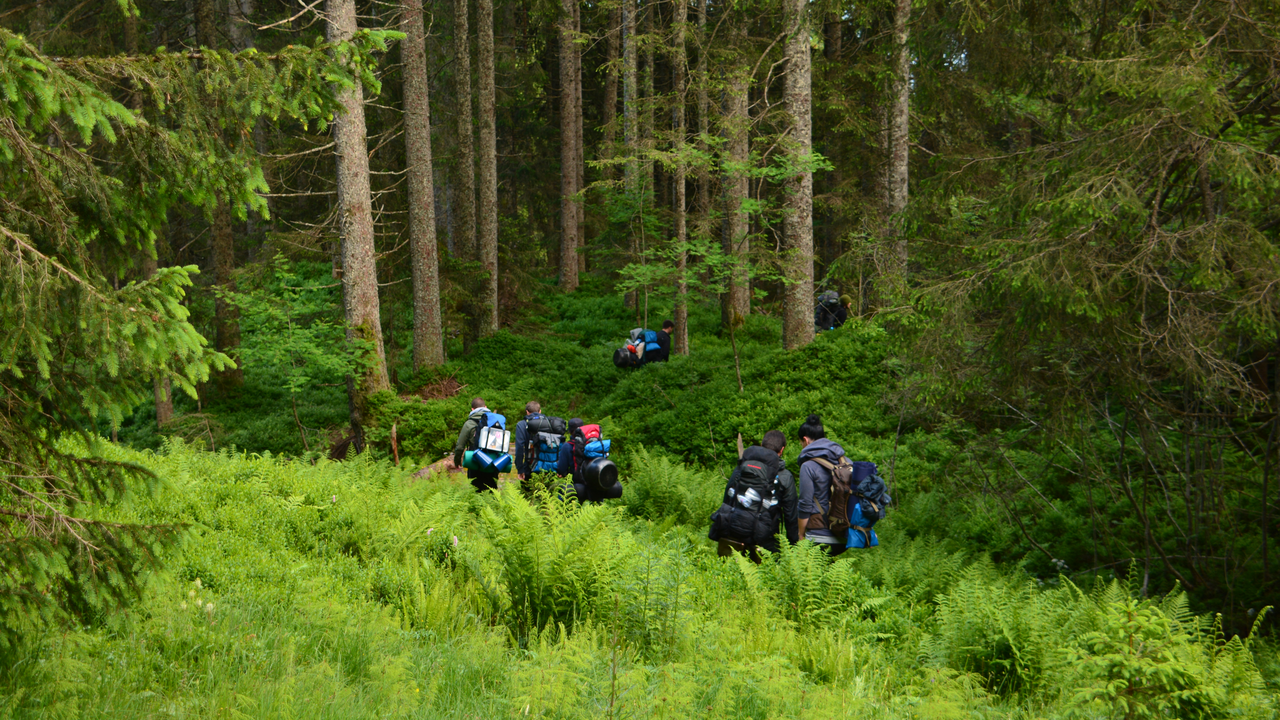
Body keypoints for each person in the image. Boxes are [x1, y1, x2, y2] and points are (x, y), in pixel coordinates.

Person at [708, 430, 798, 562]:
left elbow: (728, 497)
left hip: (735, 531)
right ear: (782, 450)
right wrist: (794, 547)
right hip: (765, 537)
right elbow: (790, 515)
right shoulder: (785, 476)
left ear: (761, 444)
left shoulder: (742, 467)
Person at [796, 414, 846, 554]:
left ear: (805, 440)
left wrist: (800, 534)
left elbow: (805, 503)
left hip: (818, 533)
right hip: (844, 533)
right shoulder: (845, 461)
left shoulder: (808, 466)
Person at [452, 397, 501, 492]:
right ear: (486, 407)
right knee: (492, 491)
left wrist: (457, 462)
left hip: (475, 462)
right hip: (493, 461)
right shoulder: (495, 421)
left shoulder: (469, 423)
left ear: (472, 409)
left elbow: (460, 446)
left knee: (476, 491)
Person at [555, 418, 607, 503]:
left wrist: (564, 472)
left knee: (562, 493)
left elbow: (561, 469)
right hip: (596, 483)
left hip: (578, 485)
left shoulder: (567, 446)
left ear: (570, 431)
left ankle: (560, 515)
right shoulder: (594, 444)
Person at [514, 400, 543, 481]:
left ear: (527, 412)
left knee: (528, 492)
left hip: (530, 466)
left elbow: (520, 447)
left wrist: (520, 468)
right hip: (547, 465)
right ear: (540, 411)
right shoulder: (547, 423)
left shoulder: (522, 424)